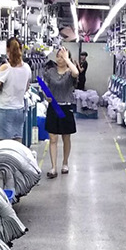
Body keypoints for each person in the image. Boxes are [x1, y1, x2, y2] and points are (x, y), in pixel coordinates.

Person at [0, 36, 32, 141]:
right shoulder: (27, 68)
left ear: (7, 50)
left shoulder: (5, 68)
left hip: (5, 109)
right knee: (17, 143)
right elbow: (26, 88)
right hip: (19, 109)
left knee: (4, 144)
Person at [42, 45, 79, 178]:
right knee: (53, 138)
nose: (59, 59)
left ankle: (65, 162)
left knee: (66, 137)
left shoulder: (70, 73)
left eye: (62, 57)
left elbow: (76, 73)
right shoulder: (50, 72)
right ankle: (53, 167)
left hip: (65, 107)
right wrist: (46, 95)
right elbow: (44, 85)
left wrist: (67, 59)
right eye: (58, 56)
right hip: (54, 107)